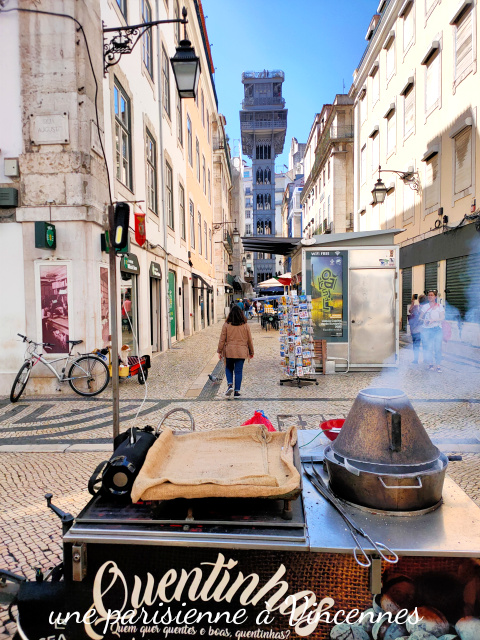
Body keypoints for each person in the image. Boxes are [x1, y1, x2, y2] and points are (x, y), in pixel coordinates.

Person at [217, 305, 254, 398]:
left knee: (228, 368)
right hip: (241, 352)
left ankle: (230, 385)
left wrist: (219, 351)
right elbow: (250, 340)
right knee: (238, 371)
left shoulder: (226, 325)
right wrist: (251, 352)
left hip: (229, 351)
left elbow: (222, 339)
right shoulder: (245, 325)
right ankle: (237, 392)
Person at [419, 290, 445, 372]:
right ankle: (430, 364)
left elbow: (442, 318)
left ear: (435, 297)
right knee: (429, 347)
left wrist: (433, 320)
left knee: (437, 348)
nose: (430, 296)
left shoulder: (440, 306)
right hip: (427, 330)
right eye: (429, 295)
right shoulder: (425, 307)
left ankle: (438, 365)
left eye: (432, 295)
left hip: (437, 329)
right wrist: (425, 320)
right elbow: (420, 318)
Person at [407, 294, 422, 364]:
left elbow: (410, 310)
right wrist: (413, 302)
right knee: (418, 345)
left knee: (416, 345)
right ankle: (418, 359)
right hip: (417, 330)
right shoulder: (418, 307)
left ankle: (416, 359)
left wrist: (412, 303)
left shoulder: (420, 307)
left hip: (417, 330)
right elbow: (410, 311)